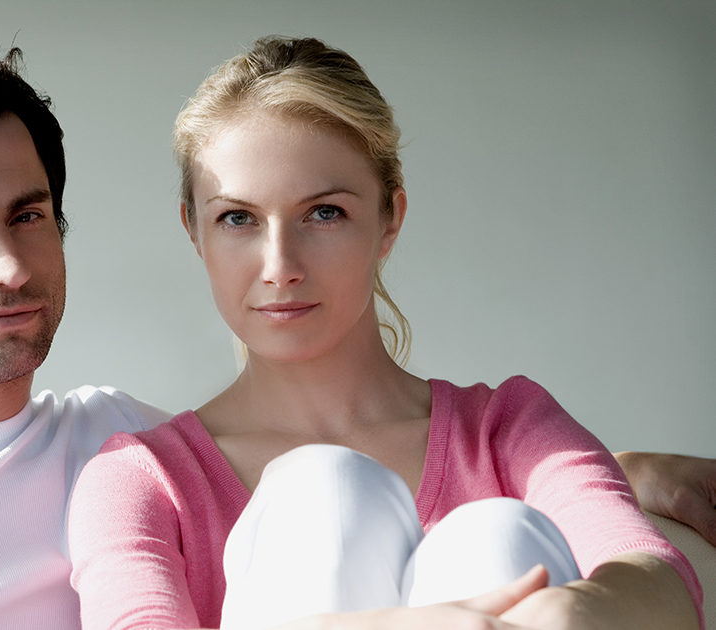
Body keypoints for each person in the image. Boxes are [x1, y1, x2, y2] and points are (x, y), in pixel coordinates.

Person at [0, 42, 708, 630]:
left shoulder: (105, 445)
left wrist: (612, 474)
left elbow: (354, 465)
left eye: (28, 216)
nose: (7, 265)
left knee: (433, 514)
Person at [67, 36, 704, 630]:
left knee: (496, 538)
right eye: (238, 218)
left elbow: (655, 577)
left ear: (389, 220)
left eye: (324, 212)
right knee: (323, 491)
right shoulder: (142, 479)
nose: (280, 266)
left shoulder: (509, 430)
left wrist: (570, 610)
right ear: (194, 230)